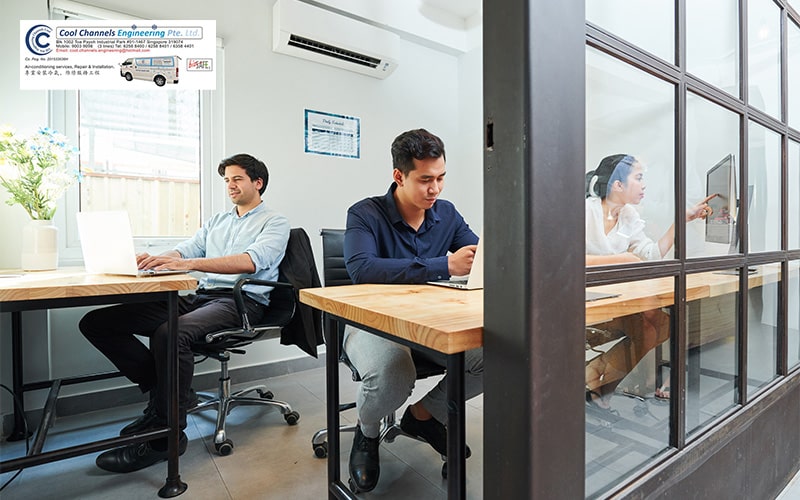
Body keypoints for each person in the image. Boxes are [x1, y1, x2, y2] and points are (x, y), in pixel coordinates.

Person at [79, 153, 290, 473]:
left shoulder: (274, 222)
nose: (230, 186)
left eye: (237, 179)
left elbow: (251, 261)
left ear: (257, 183)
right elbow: (185, 250)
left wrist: (186, 264)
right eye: (226, 180)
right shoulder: (218, 221)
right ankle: (169, 397)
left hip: (240, 302)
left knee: (170, 333)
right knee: (98, 322)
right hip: (202, 297)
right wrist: (156, 259)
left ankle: (167, 437)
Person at [342, 128, 483, 492]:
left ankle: (424, 414)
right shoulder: (364, 213)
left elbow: (479, 255)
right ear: (398, 176)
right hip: (371, 321)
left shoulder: (446, 214)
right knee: (393, 372)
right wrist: (443, 265)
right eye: (424, 180)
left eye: (440, 178)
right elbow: (362, 269)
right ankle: (367, 432)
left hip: (429, 322)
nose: (434, 189)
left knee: (503, 354)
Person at [584, 154, 715, 407]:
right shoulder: (586, 211)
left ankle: (598, 372)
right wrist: (624, 259)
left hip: (616, 293)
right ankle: (601, 384)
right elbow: (567, 260)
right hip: (584, 296)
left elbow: (650, 254)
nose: (644, 185)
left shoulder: (628, 214)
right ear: (617, 184)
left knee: (661, 322)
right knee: (654, 323)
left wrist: (681, 220)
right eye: (639, 178)